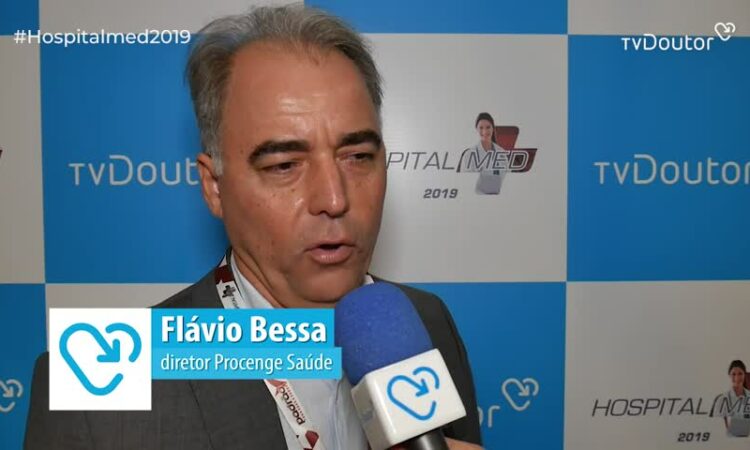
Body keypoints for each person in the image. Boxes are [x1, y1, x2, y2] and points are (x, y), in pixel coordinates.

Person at [24, 5, 482, 450]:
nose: (334, 199)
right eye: (284, 165)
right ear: (214, 187)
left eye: (358, 156)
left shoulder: (426, 322)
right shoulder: (94, 386)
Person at [458, 112, 509, 195]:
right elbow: (465, 184)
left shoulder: (502, 153)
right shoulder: (469, 155)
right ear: (476, 129)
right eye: (481, 128)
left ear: (493, 128)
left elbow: (508, 180)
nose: (484, 131)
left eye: (488, 127)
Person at [710, 360, 750, 437]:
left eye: (740, 374)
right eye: (733, 374)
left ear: (745, 375)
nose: (737, 378)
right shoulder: (722, 399)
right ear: (729, 375)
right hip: (729, 441)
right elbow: (717, 427)